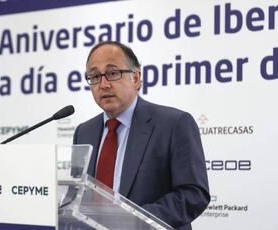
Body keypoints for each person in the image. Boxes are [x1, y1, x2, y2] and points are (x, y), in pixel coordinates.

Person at [73, 41, 210, 229]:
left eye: (113, 73)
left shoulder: (174, 124)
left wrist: (134, 221)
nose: (103, 84)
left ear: (136, 78)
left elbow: (193, 194)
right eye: (95, 76)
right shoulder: (84, 132)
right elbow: (77, 194)